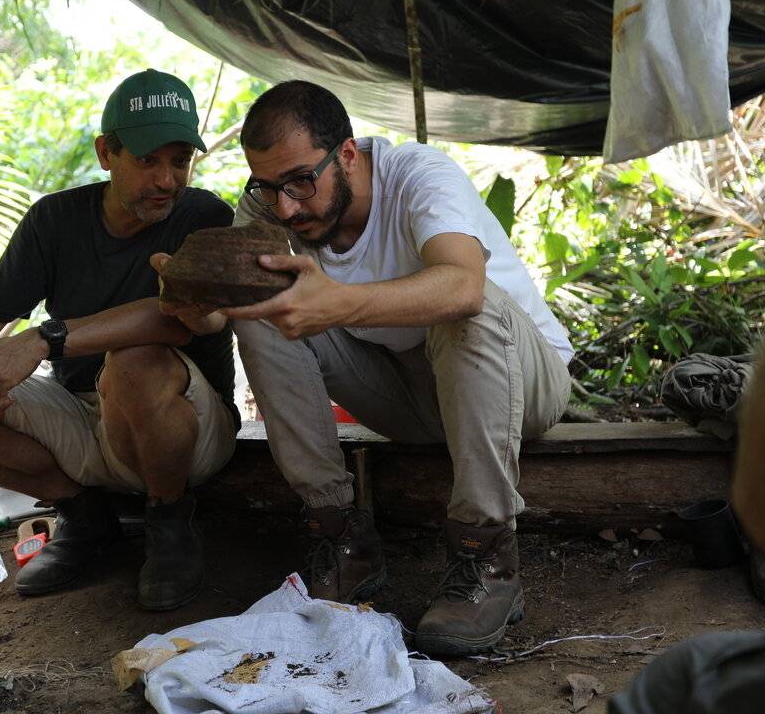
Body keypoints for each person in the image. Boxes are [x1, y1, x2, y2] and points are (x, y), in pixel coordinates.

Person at [219, 81, 575, 655]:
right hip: (410, 396)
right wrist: (190, 298)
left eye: (301, 182)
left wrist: (339, 303)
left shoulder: (418, 175)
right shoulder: (272, 205)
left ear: (348, 155)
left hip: (520, 384)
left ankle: (487, 556)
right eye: (267, 187)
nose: (285, 206)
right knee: (262, 312)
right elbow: (230, 300)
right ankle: (341, 537)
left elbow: (463, 287)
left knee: (466, 305)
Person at [0, 69, 239, 612]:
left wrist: (43, 340)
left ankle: (170, 520)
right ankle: (85, 517)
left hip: (184, 428)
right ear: (106, 153)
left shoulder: (204, 217)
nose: (167, 179)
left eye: (179, 160)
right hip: (83, 418)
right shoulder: (54, 220)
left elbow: (171, 318)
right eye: (148, 160)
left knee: (134, 364)